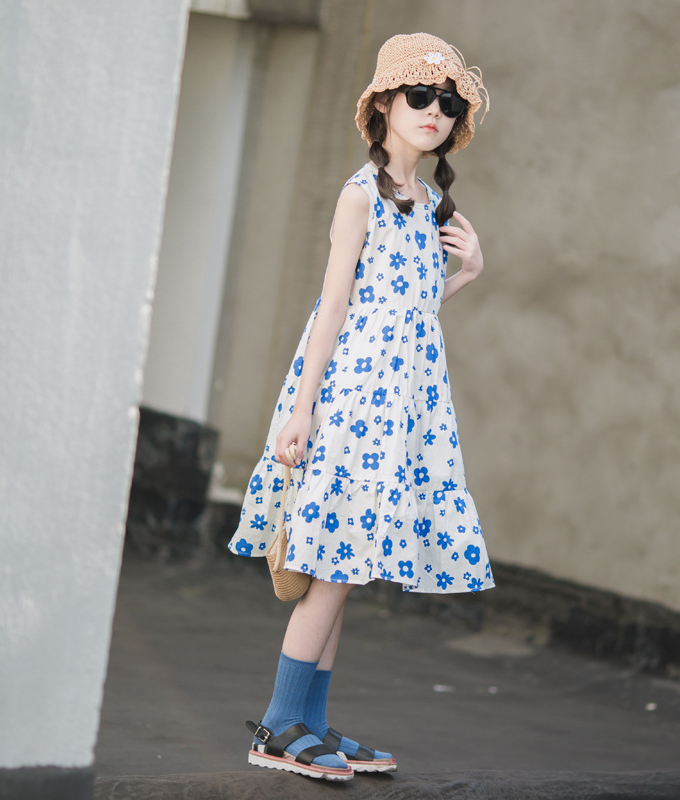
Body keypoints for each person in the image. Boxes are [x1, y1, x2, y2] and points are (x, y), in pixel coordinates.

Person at [228, 32, 494, 781]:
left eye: (449, 102)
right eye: (420, 95)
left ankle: (309, 721)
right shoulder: (360, 196)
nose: (436, 111)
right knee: (332, 563)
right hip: (350, 399)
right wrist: (302, 408)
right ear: (382, 105)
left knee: (345, 560)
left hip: (402, 404)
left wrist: (466, 273)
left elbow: (408, 313)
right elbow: (337, 307)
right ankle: (279, 726)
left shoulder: (431, 201)